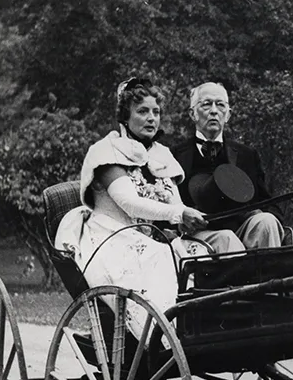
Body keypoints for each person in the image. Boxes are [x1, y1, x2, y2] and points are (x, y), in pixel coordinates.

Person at [54, 78, 242, 335]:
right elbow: (130, 204)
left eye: (156, 112)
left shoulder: (161, 155)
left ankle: (214, 322)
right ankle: (163, 334)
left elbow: (175, 204)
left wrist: (187, 218)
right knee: (162, 258)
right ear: (125, 116)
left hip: (152, 238)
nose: (151, 118)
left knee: (201, 252)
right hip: (112, 238)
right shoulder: (107, 151)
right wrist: (179, 213)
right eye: (142, 111)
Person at [169, 81, 284, 251]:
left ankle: (270, 276)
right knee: (227, 239)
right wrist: (181, 221)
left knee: (266, 222)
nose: (214, 111)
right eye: (207, 104)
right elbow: (164, 208)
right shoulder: (174, 156)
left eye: (220, 105)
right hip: (199, 237)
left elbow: (269, 203)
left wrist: (259, 212)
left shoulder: (247, 155)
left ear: (228, 115)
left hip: (241, 230)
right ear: (192, 114)